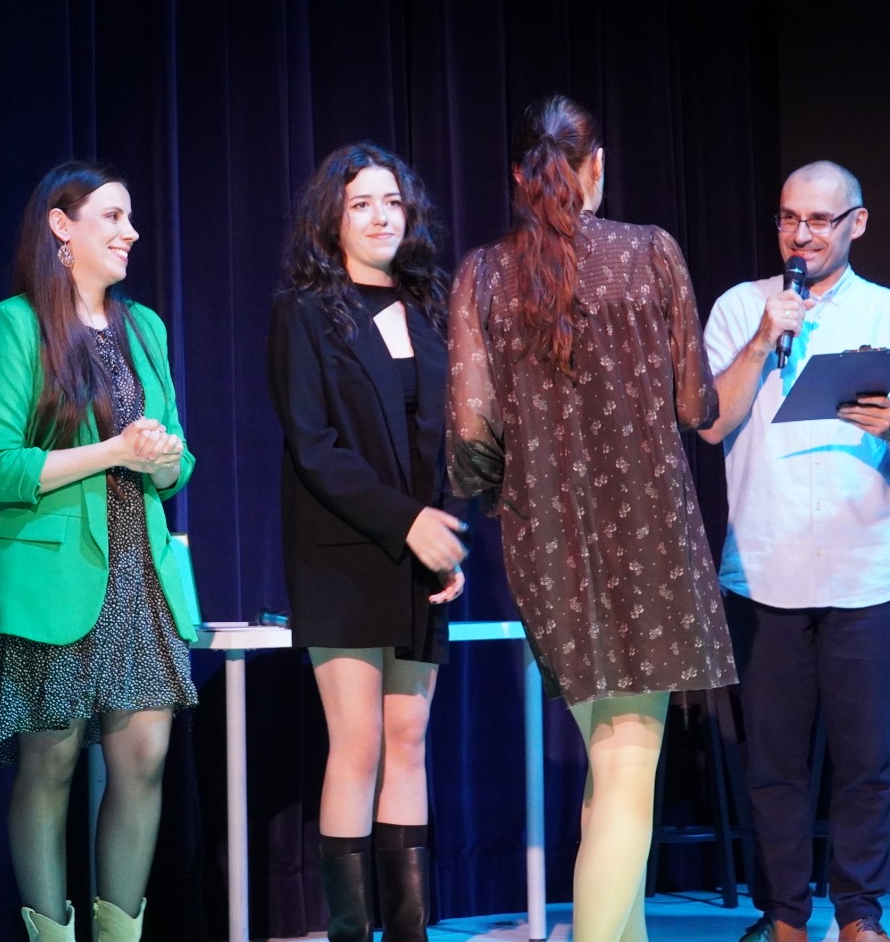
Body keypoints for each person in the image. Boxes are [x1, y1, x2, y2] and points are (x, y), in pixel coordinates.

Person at [449, 95, 737, 942]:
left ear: (519, 175)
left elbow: (470, 435)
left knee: (608, 774)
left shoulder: (482, 275)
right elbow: (696, 403)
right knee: (626, 768)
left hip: (546, 542)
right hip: (650, 536)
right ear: (597, 166)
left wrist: (511, 493)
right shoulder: (649, 252)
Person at [0, 161, 196, 942]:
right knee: (50, 762)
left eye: (130, 218)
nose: (131, 232)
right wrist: (115, 450)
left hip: (139, 573)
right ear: (62, 226)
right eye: (113, 217)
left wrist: (163, 459)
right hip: (49, 577)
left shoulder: (144, 327)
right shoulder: (14, 324)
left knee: (144, 756)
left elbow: (177, 458)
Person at [699, 161, 890, 942]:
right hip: (764, 565)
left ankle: (860, 914)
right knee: (774, 763)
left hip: (864, 567)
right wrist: (763, 339)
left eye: (818, 219)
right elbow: (710, 422)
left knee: (865, 758)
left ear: (855, 223)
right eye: (787, 217)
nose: (800, 234)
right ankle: (784, 915)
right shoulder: (741, 307)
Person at [266, 142, 467, 942]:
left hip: (418, 549)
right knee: (357, 743)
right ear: (333, 219)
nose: (381, 216)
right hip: (342, 549)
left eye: (392, 201)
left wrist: (446, 533)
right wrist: (407, 521)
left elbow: (447, 439)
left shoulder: (430, 307)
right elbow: (314, 445)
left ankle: (409, 933)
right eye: (362, 204)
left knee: (409, 738)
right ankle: (352, 932)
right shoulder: (306, 312)